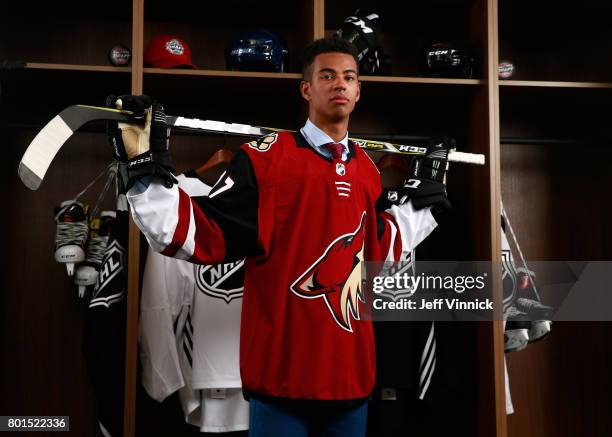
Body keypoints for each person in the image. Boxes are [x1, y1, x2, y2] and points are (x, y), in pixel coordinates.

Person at [107, 37, 451, 437]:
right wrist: (146, 174)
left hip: (351, 380)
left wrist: (423, 205)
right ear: (306, 88)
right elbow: (203, 234)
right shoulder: (263, 160)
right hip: (281, 380)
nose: (339, 84)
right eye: (327, 75)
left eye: (348, 77)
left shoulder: (367, 172)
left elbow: (377, 250)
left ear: (358, 91)